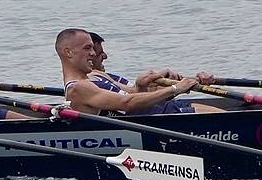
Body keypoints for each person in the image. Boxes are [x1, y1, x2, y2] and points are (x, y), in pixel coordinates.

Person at [55, 28, 222, 115]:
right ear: (68, 52)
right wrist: (176, 89)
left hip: (151, 116)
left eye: (93, 48)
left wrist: (193, 80)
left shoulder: (97, 76)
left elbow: (134, 94)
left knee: (220, 113)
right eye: (87, 48)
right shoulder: (77, 88)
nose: (94, 53)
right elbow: (126, 104)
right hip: (148, 123)